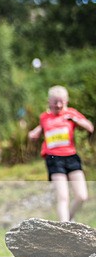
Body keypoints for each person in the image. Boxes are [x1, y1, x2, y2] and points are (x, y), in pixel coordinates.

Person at [28, 85, 94, 222]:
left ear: (66, 101)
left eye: (61, 101)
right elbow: (39, 130)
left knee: (82, 196)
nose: (58, 105)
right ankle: (64, 228)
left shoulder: (71, 113)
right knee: (63, 196)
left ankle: (68, 220)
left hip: (71, 157)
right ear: (49, 102)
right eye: (55, 102)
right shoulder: (45, 117)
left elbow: (90, 127)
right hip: (53, 159)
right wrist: (33, 134)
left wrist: (75, 120)